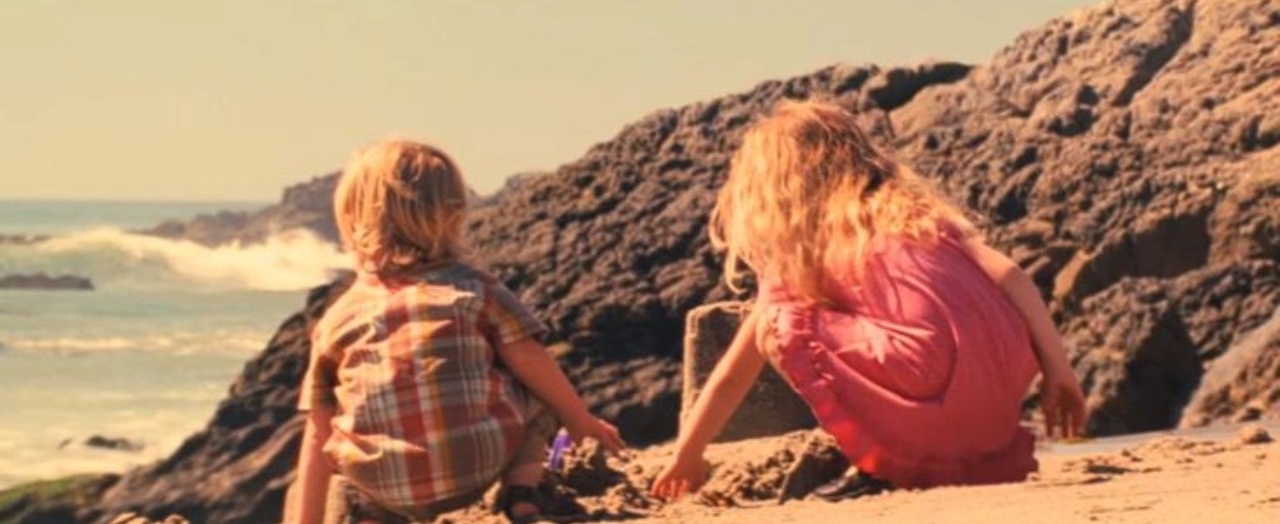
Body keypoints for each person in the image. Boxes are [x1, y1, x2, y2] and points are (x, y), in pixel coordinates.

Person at [652, 100, 1085, 501]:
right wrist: (1060, 374)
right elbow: (1012, 276)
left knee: (776, 322)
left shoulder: (803, 246)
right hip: (990, 417)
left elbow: (735, 371)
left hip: (928, 402)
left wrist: (687, 455)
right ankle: (908, 448)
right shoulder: (918, 216)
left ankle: (877, 462)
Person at [290, 140, 625, 524]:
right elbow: (530, 357)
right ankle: (522, 494)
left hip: (387, 484)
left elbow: (317, 432)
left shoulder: (336, 320)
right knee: (537, 392)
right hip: (475, 469)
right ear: (454, 215)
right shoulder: (475, 289)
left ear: (351, 221)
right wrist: (580, 420)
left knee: (346, 437)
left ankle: (376, 515)